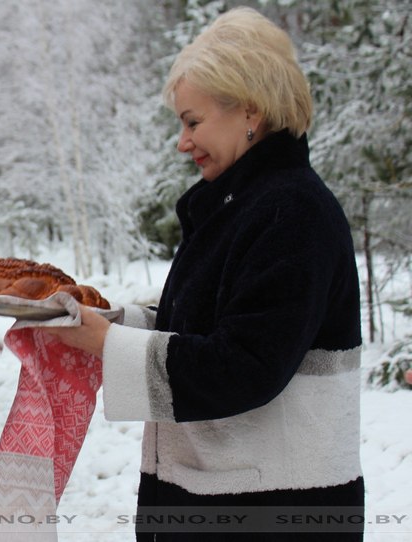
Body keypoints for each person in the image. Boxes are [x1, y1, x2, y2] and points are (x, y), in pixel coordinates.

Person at [48, 7, 363, 541]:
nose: (182, 141)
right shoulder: (243, 206)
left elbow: (246, 364)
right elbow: (206, 325)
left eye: (193, 122)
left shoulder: (292, 212)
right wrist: (111, 323)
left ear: (251, 111)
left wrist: (109, 343)